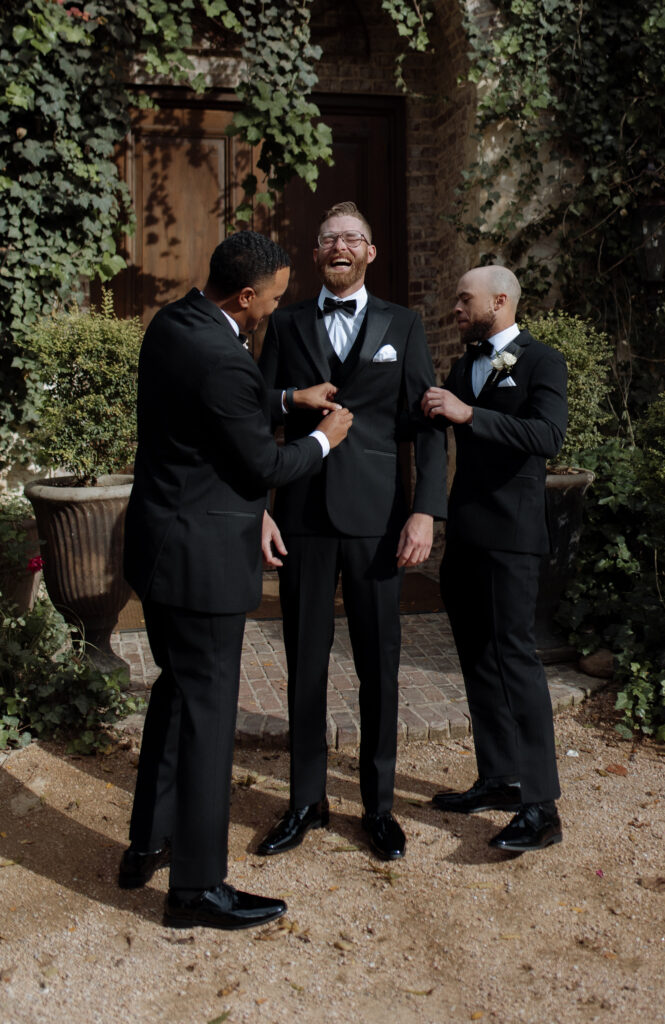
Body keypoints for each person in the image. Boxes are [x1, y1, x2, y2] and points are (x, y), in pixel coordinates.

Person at [119, 231, 352, 930]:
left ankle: (148, 843)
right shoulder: (222, 355)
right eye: (273, 298)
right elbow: (262, 466)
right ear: (245, 296)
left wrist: (286, 398)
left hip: (161, 548)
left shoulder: (175, 322)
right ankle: (195, 890)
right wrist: (323, 438)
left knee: (176, 697)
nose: (277, 308)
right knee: (208, 720)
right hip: (203, 564)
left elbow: (214, 408)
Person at [256, 201, 447, 862]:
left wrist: (425, 510)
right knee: (305, 665)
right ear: (316, 255)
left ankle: (379, 807)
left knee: (379, 666)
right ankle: (305, 802)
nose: (340, 245)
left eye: (352, 237)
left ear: (370, 252)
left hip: (379, 521)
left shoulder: (404, 324)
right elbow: (256, 414)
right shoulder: (285, 324)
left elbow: (427, 425)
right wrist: (258, 508)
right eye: (329, 238)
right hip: (301, 516)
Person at [422, 265, 568, 853]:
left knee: (515, 659)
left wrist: (470, 415)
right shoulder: (464, 366)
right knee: (477, 657)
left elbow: (547, 436)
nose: (456, 309)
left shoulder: (542, 361)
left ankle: (542, 807)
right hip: (466, 536)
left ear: (500, 301)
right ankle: (499, 777)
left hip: (513, 537)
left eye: (465, 300)